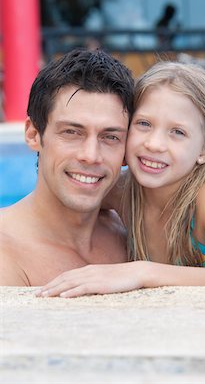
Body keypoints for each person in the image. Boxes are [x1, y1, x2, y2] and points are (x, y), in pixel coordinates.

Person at [36, 60, 205, 298]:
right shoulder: (122, 191)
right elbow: (59, 205)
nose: (154, 144)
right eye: (144, 124)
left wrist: (140, 273)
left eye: (178, 132)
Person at [0, 48, 134, 286]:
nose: (91, 156)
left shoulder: (131, 232)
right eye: (71, 132)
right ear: (33, 135)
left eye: (110, 137)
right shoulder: (6, 252)